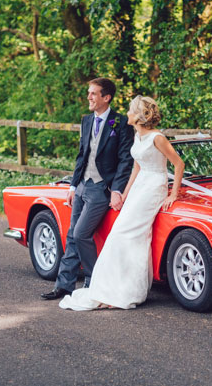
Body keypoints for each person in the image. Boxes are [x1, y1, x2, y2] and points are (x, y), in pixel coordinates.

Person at [59, 95, 185, 310]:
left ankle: (128, 290)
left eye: (129, 110)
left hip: (154, 185)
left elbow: (178, 164)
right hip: (139, 186)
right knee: (120, 233)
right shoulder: (138, 136)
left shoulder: (158, 138)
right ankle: (114, 286)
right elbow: (136, 168)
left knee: (129, 233)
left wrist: (173, 194)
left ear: (138, 115)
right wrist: (125, 194)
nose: (126, 113)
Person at [41, 78, 135, 300]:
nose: (89, 97)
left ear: (106, 97)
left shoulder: (120, 123)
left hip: (102, 187)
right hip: (83, 186)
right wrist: (73, 185)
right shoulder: (86, 121)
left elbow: (125, 160)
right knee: (72, 235)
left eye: (93, 94)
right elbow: (82, 155)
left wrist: (117, 189)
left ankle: (95, 280)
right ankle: (64, 286)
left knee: (82, 234)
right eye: (89, 93)